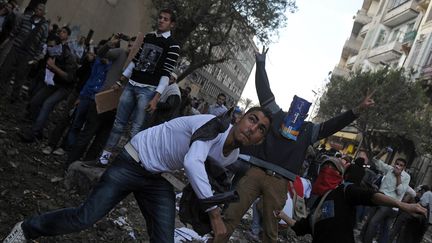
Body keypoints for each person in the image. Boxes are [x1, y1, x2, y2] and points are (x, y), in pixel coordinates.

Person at [3, 107, 272, 243]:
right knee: (84, 218)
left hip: (155, 177)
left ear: (259, 140)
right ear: (239, 118)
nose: (253, 128)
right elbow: (192, 162)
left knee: (164, 239)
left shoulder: (233, 156)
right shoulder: (213, 125)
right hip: (133, 160)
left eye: (260, 129)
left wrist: (206, 220)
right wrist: (215, 217)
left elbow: (205, 181)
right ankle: (26, 229)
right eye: (252, 119)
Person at [214, 48, 375, 243]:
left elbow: (333, 125)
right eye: (294, 109)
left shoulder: (308, 130)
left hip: (280, 181)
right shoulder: (275, 116)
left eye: (301, 112)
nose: (296, 114)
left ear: (305, 115)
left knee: (270, 230)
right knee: (231, 214)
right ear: (290, 107)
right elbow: (264, 91)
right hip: (255, 172)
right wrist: (261, 63)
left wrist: (357, 110)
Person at [273, 157, 426, 243]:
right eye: (325, 167)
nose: (328, 171)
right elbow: (301, 227)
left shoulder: (344, 191)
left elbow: (370, 196)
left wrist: (402, 205)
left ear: (341, 176)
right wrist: (282, 215)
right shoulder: (317, 205)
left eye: (333, 169)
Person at [98, 8, 180, 165]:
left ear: (172, 24)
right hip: (131, 84)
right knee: (118, 124)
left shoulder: (173, 45)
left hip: (148, 90)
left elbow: (166, 72)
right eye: (160, 17)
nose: (161, 20)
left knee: (136, 130)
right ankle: (103, 159)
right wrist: (121, 80)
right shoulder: (149, 36)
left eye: (166, 19)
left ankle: (125, 164)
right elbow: (136, 60)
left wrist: (156, 97)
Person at [20, 33, 77, 142]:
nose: (50, 48)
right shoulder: (51, 54)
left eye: (52, 46)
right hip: (53, 83)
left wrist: (54, 68)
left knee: (47, 104)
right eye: (49, 46)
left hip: (64, 87)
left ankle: (34, 133)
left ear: (59, 46)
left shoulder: (69, 56)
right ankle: (37, 127)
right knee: (35, 101)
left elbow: (69, 77)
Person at [0, 3, 48, 101]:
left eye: (41, 10)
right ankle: (1, 90)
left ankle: (14, 96)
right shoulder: (26, 18)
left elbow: (41, 43)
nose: (38, 10)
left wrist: (35, 58)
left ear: (43, 13)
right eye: (37, 8)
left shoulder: (44, 26)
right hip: (17, 48)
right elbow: (15, 31)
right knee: (6, 70)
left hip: (29, 54)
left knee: (20, 76)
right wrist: (5, 42)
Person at [361, 149, 411, 243]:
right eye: (397, 164)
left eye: (401, 165)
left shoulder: (406, 177)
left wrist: (398, 176)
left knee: (374, 223)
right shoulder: (389, 169)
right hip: (379, 198)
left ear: (404, 167)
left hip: (389, 203)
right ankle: (364, 238)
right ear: (394, 164)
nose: (398, 166)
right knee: (371, 222)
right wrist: (383, 152)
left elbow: (400, 192)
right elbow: (376, 160)